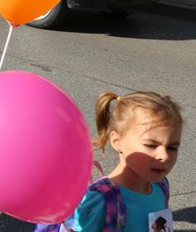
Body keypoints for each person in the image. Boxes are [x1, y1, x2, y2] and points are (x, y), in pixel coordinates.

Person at [69, 91, 183, 232]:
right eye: (151, 145)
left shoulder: (161, 185)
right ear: (117, 141)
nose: (164, 156)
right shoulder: (101, 200)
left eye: (172, 147)